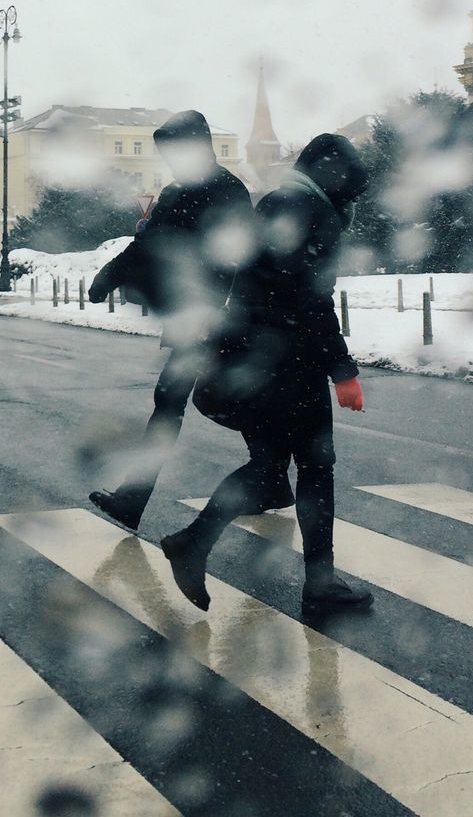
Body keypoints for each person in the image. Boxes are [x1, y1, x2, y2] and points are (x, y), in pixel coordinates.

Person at [160, 132, 374, 617]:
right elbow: (309, 298)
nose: (352, 203)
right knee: (315, 467)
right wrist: (342, 371)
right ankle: (319, 584)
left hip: (256, 357)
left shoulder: (282, 203)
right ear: (332, 179)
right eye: (350, 192)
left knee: (270, 468)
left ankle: (193, 543)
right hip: (288, 361)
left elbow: (262, 283)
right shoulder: (308, 209)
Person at [87, 109, 295, 531]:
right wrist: (109, 274)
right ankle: (270, 476)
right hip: (192, 316)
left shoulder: (228, 190)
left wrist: (221, 309)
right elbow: (148, 245)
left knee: (201, 402)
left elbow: (240, 257)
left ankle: (269, 473)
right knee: (187, 404)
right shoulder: (174, 193)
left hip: (220, 317)